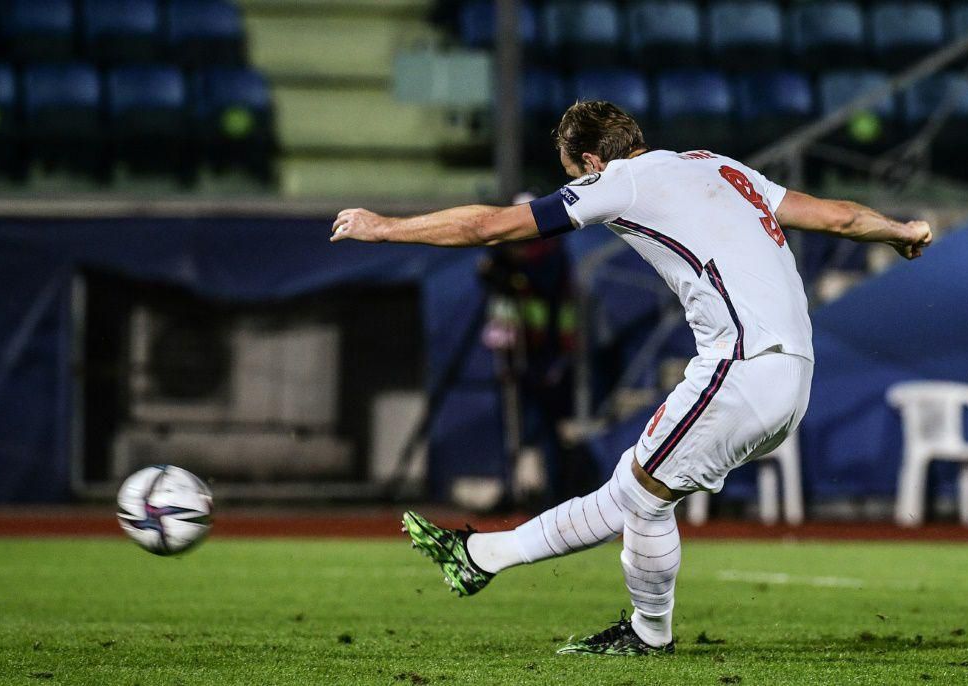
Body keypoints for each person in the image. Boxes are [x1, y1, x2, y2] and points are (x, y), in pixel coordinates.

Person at [330, 101, 933, 656]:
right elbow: (840, 217)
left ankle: (647, 635)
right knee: (635, 487)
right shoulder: (718, 165)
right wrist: (902, 231)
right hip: (791, 367)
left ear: (592, 161)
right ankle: (483, 554)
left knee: (643, 494)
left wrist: (385, 228)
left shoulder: (619, 181)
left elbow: (491, 227)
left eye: (573, 173)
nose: (575, 184)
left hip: (741, 362)